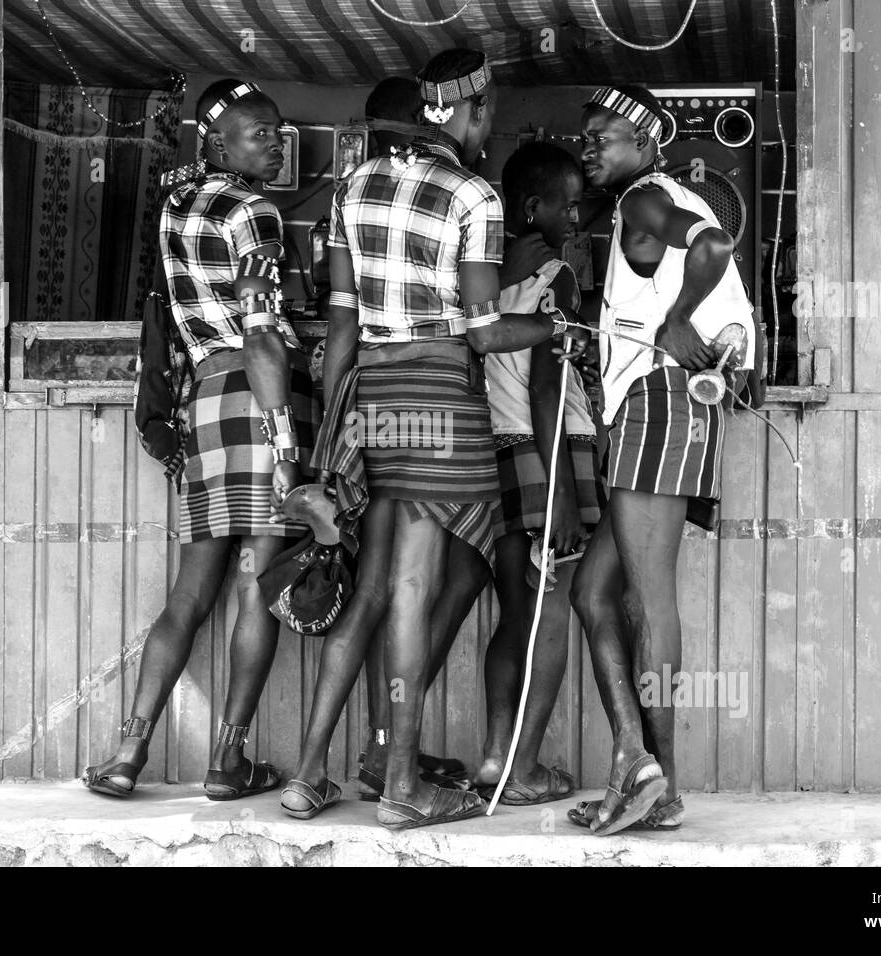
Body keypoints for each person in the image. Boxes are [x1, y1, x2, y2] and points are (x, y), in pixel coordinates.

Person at [286, 49, 586, 828]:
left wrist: (333, 443)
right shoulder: (473, 195)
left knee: (385, 583)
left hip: (376, 398)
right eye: (486, 114)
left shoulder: (355, 187)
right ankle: (400, 789)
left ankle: (335, 770)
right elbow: (485, 334)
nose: (489, 128)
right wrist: (553, 326)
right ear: (470, 111)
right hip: (442, 396)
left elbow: (344, 325)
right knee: (414, 589)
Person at [83, 79, 317, 801]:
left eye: (277, 133)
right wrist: (286, 449)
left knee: (189, 593)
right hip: (258, 397)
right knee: (254, 588)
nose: (274, 145)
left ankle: (128, 751)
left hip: (205, 402)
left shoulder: (175, 206)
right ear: (217, 143)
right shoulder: (254, 212)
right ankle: (227, 762)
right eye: (259, 135)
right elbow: (262, 335)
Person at [568, 84, 756, 834]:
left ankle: (662, 782)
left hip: (659, 401)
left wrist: (677, 319)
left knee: (650, 598)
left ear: (646, 143)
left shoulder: (645, 197)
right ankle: (636, 763)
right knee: (593, 593)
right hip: (666, 402)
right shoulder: (655, 200)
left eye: (603, 136)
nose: (590, 148)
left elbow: (713, 248)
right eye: (586, 138)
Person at [469, 142, 602, 805]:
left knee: (514, 616)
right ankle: (523, 772)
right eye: (568, 204)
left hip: (498, 449)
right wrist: (565, 501)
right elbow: (550, 388)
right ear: (532, 208)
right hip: (549, 451)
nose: (578, 216)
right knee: (551, 614)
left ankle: (496, 756)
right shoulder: (559, 278)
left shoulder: (485, 276)